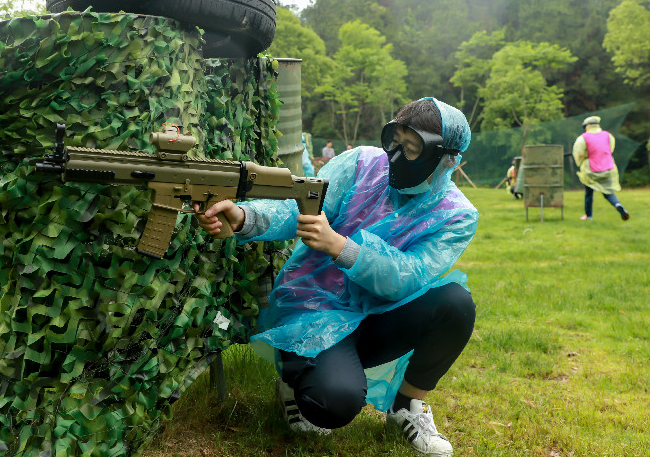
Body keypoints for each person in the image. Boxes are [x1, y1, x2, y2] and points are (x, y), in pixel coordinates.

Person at [195, 98, 477, 457]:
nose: (396, 157)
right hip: (316, 306)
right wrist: (243, 217)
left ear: (447, 159)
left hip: (380, 316)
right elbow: (298, 205)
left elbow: (409, 276)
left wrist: (340, 247)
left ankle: (407, 407)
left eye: (412, 149)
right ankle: (295, 377)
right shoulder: (361, 164)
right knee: (333, 404)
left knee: (455, 304)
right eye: (396, 142)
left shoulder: (456, 215)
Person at [572, 115, 629, 221]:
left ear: (588, 126)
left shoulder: (583, 138)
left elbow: (579, 153)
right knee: (608, 192)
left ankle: (588, 216)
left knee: (589, 193)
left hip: (591, 170)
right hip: (608, 169)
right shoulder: (608, 135)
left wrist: (586, 155)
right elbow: (609, 149)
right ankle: (618, 205)